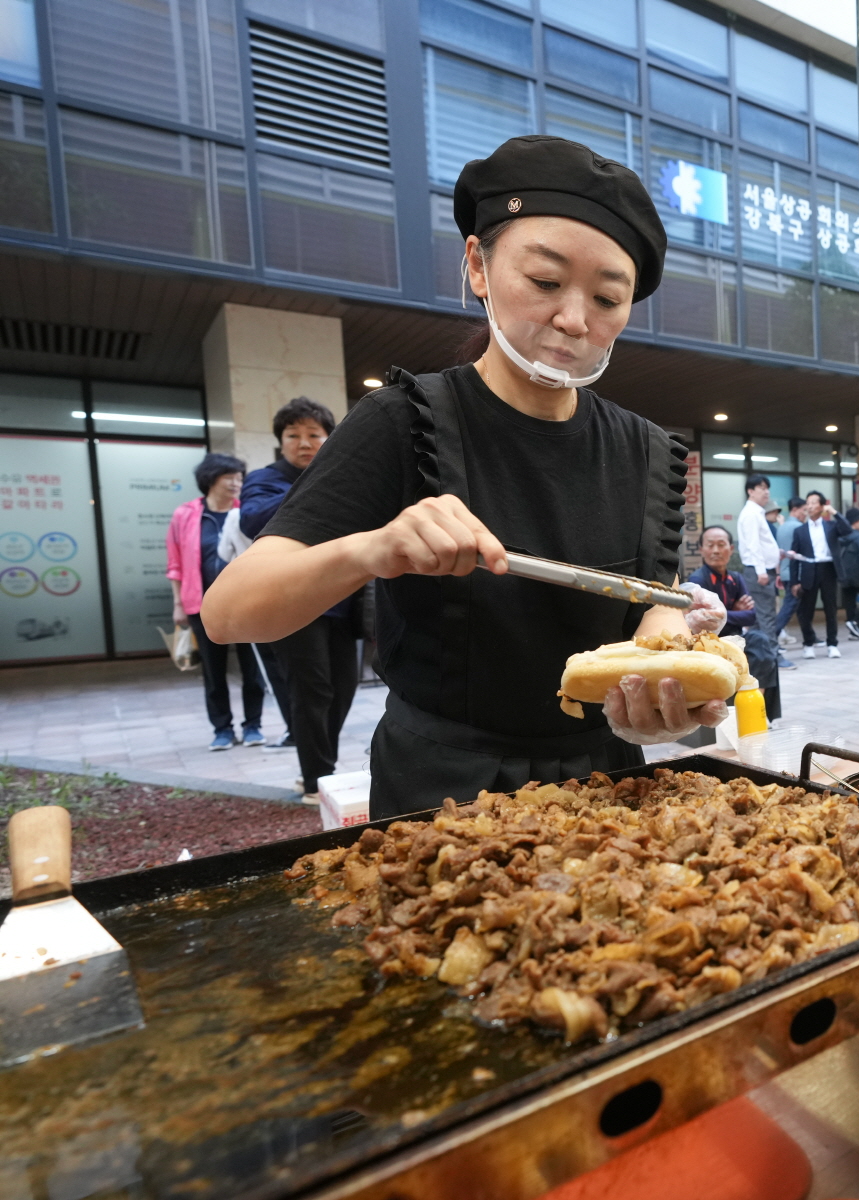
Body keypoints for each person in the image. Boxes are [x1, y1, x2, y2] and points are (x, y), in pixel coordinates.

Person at [202, 134, 725, 819]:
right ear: (477, 265)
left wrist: (661, 688)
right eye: (545, 282)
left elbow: (655, 608)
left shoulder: (648, 451)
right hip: (441, 795)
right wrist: (374, 548)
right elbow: (230, 611)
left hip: (608, 791)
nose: (574, 319)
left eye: (607, 298)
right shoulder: (403, 420)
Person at [237, 395, 358, 803]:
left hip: (344, 598)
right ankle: (316, 781)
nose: (304, 443)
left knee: (343, 688)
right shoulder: (265, 478)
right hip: (293, 599)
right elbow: (253, 518)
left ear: (329, 439)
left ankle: (322, 769)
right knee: (312, 690)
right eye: (294, 435)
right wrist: (319, 482)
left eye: (314, 435)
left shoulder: (343, 476)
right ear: (281, 441)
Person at [167, 452, 266, 750]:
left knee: (253, 669)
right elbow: (175, 563)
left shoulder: (247, 511)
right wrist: (177, 603)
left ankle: (253, 726)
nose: (237, 484)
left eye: (239, 478)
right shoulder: (185, 515)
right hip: (202, 604)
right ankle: (222, 729)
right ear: (211, 480)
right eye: (230, 478)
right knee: (213, 671)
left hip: (245, 603)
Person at [691, 525, 780, 696]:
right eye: (710, 545)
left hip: (737, 637)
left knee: (762, 643)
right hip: (711, 640)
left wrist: (720, 613)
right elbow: (704, 618)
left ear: (731, 549)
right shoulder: (698, 579)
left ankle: (759, 701)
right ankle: (752, 702)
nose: (716, 551)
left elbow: (751, 616)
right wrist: (731, 610)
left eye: (721, 544)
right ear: (701, 549)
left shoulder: (736, 578)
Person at [735, 473, 789, 667]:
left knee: (758, 618)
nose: (767, 492)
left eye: (767, 488)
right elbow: (752, 545)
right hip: (759, 572)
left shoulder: (757, 512)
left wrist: (778, 553)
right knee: (766, 616)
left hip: (762, 570)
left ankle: (755, 655)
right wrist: (761, 571)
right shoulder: (751, 514)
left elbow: (762, 544)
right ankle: (773, 657)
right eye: (762, 488)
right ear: (751, 491)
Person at [790, 490, 851, 657]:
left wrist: (834, 513)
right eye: (807, 503)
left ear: (822, 506)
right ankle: (808, 644)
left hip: (828, 569)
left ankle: (832, 644)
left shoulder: (831, 526)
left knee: (830, 609)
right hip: (809, 570)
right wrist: (795, 581)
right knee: (806, 610)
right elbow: (794, 558)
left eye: (813, 502)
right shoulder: (800, 530)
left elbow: (847, 530)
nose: (809, 506)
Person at [770, 495, 807, 654]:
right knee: (788, 608)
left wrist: (778, 573)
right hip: (795, 574)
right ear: (795, 509)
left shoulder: (782, 527)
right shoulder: (799, 527)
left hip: (784, 573)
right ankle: (772, 639)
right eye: (803, 510)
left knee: (801, 607)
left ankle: (810, 636)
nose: (805, 513)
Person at [837, 506, 859, 637]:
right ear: (855, 521)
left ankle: (853, 631)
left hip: (844, 576)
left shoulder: (840, 537)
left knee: (850, 604)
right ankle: (856, 623)